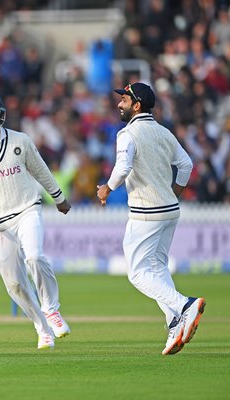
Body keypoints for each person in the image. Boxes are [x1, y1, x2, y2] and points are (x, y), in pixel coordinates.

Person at [97, 82, 205, 355]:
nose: (119, 103)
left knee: (136, 273)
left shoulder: (128, 133)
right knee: (156, 268)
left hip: (146, 212)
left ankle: (185, 305)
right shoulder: (163, 132)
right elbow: (186, 165)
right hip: (169, 210)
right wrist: (175, 192)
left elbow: (123, 167)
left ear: (137, 105)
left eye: (124, 100)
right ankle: (174, 322)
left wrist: (107, 188)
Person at [0, 92, 71, 350]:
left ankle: (51, 309)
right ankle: (41, 328)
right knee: (14, 285)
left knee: (34, 257)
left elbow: (41, 170)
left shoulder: (20, 140)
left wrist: (58, 197)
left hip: (27, 209)